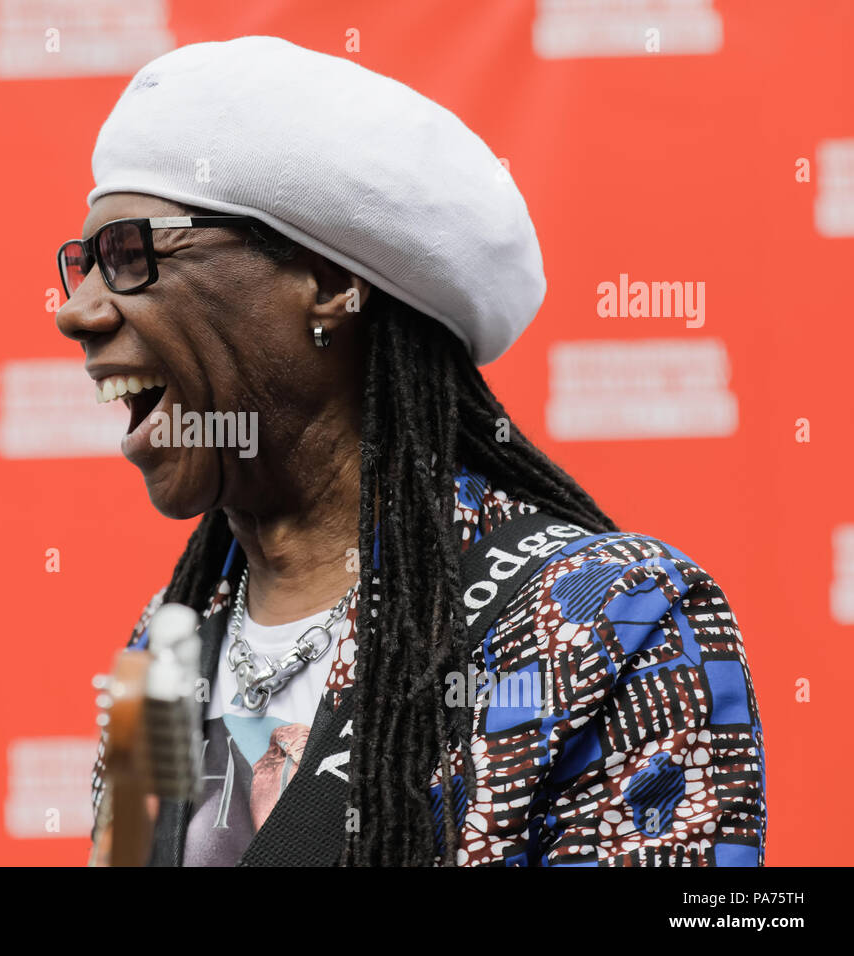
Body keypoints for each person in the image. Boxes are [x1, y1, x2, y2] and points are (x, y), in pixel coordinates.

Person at [56, 36, 765, 866]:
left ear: (326, 285)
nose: (77, 312)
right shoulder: (167, 639)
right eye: (81, 267)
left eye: (131, 256)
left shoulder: (605, 620)